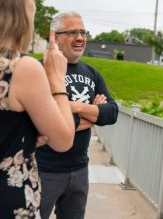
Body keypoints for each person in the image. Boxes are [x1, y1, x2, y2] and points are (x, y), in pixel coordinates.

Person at [0, 0, 76, 218]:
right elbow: (63, 140)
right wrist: (56, 77)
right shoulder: (19, 68)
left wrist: (24, 135)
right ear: (19, 6)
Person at [36, 11, 119, 219]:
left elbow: (111, 113)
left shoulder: (92, 73)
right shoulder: (39, 71)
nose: (80, 37)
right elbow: (43, 124)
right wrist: (93, 114)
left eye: (83, 32)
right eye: (73, 32)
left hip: (80, 169)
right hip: (43, 171)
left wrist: (72, 106)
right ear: (55, 37)